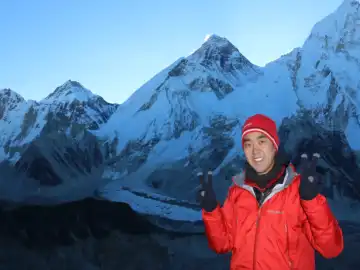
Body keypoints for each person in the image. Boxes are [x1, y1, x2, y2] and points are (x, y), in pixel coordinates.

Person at [197, 113, 344, 270]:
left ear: (274, 146)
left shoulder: (298, 191)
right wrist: (211, 211)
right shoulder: (237, 192)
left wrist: (312, 201)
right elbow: (222, 244)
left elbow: (331, 249)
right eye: (248, 144)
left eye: (262, 141)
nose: (255, 151)